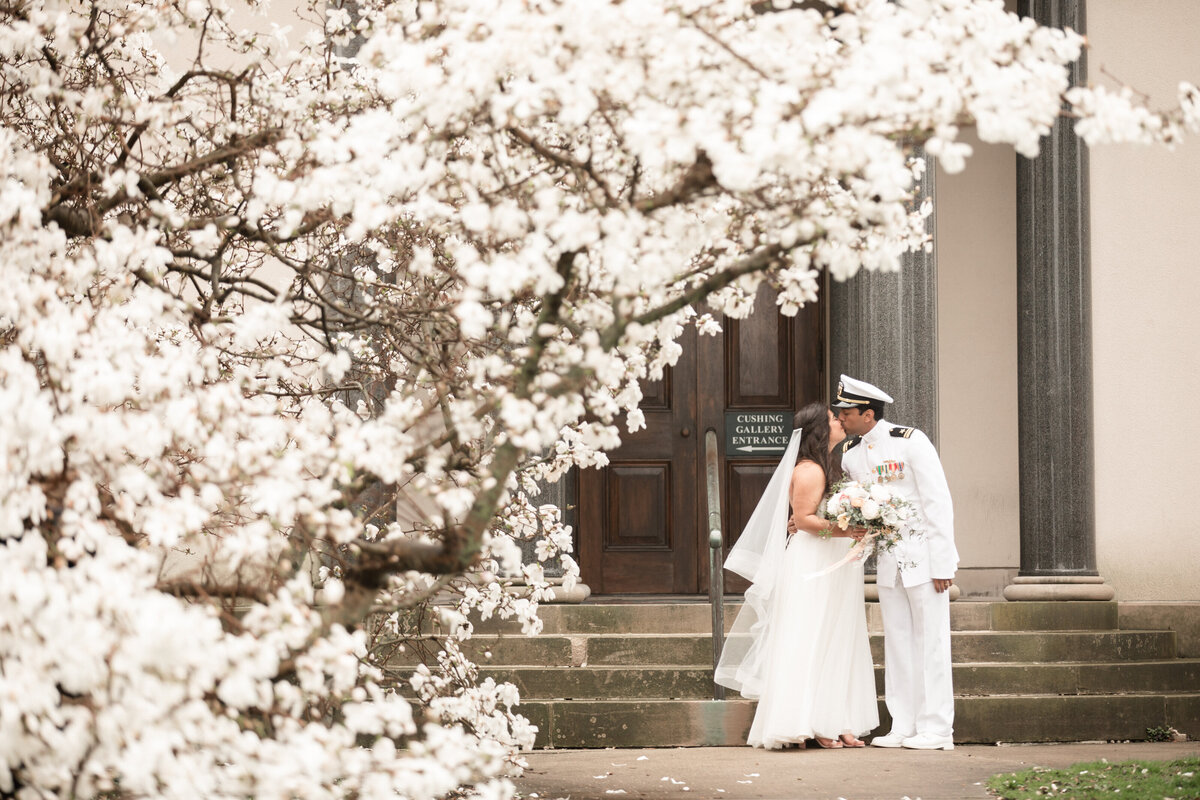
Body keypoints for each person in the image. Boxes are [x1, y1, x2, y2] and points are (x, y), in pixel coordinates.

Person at [715, 402, 878, 750]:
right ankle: (807, 721)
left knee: (837, 638)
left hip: (832, 563)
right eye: (835, 418)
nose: (841, 421)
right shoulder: (809, 470)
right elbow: (803, 520)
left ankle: (836, 719)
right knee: (809, 636)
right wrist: (848, 530)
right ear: (820, 429)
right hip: (813, 564)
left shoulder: (827, 465)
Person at [833, 374, 958, 751]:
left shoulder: (910, 441)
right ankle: (903, 725)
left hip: (924, 560)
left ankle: (937, 730)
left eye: (846, 412)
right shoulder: (851, 453)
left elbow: (937, 502)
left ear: (868, 414)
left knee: (932, 643)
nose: (840, 418)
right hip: (888, 562)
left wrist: (943, 564)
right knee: (898, 643)